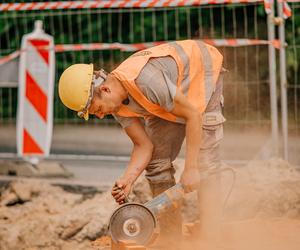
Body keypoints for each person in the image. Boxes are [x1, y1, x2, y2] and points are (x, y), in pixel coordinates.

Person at [58, 39, 226, 248]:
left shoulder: (147, 81)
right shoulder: (116, 105)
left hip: (203, 72)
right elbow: (143, 145)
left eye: (97, 109)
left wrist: (191, 168)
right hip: (169, 97)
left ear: (104, 90)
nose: (100, 116)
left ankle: (213, 237)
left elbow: (193, 115)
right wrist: (128, 179)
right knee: (156, 165)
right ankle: (171, 240)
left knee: (206, 164)